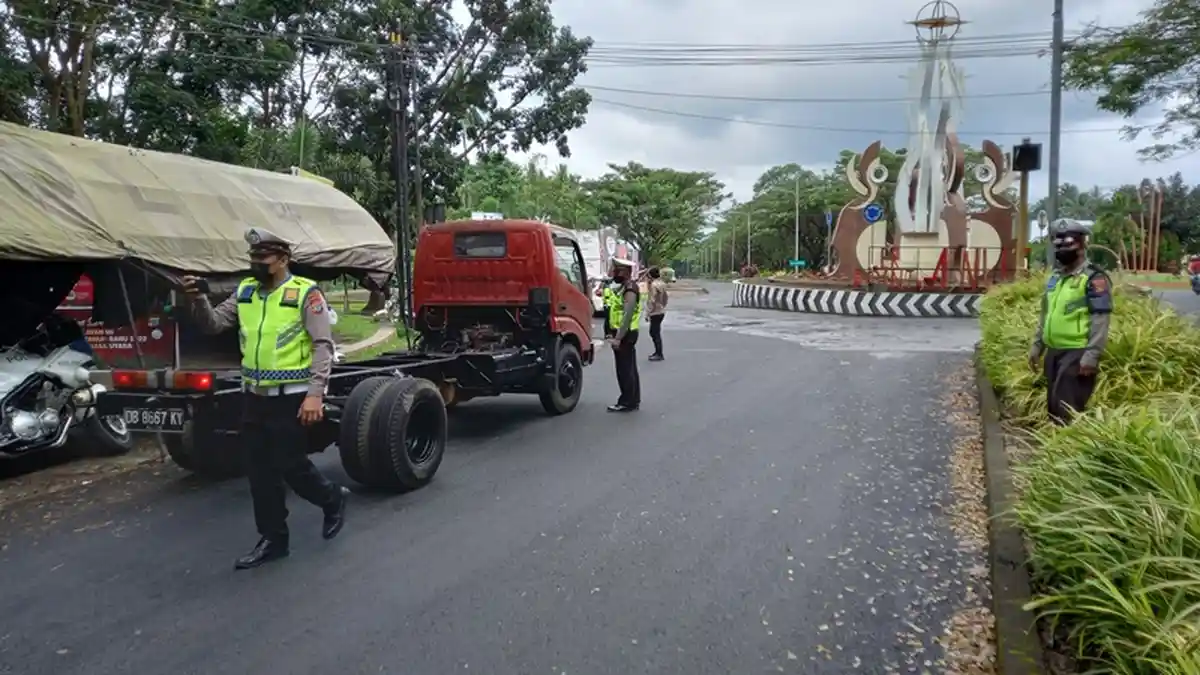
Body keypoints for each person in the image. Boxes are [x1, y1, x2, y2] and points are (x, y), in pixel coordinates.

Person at [182, 227, 349, 570]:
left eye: (263, 258)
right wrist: (198, 298)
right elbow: (213, 324)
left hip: (292, 397)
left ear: (283, 259)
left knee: (291, 465)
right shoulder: (246, 291)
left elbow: (322, 346)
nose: (256, 263)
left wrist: (315, 395)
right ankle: (274, 539)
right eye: (253, 258)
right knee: (259, 471)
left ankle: (331, 498)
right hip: (255, 397)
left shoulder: (305, 293)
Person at [1028, 221, 1113, 425]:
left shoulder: (1094, 278)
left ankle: (1064, 442)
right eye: (1058, 245)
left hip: (1077, 353)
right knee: (1053, 408)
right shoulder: (1056, 278)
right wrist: (1037, 345)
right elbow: (1046, 314)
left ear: (1082, 245)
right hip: (1054, 351)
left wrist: (1091, 356)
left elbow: (1100, 320)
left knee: (1067, 412)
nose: (1062, 250)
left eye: (1068, 244)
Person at [607, 258, 642, 412]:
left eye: (616, 271)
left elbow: (627, 315)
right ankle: (633, 399)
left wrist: (618, 338)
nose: (614, 274)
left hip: (626, 334)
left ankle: (627, 401)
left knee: (625, 369)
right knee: (628, 368)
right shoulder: (624, 287)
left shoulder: (629, 289)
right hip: (624, 333)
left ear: (624, 272)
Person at [646, 267, 668, 361]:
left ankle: (659, 353)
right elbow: (665, 297)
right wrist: (663, 305)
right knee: (655, 332)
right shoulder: (662, 283)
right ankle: (657, 352)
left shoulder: (654, 285)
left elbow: (652, 300)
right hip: (661, 310)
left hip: (655, 312)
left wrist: (648, 312)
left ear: (651, 275)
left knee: (654, 333)